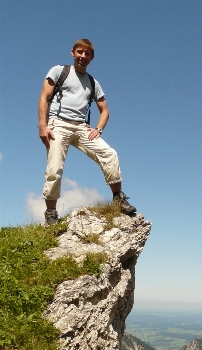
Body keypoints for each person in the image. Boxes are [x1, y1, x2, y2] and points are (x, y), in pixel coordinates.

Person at [38, 39, 136, 225]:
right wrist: (43, 125)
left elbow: (105, 110)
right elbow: (44, 97)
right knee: (54, 167)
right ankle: (51, 213)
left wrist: (98, 129)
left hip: (82, 127)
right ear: (73, 52)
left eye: (87, 54)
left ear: (92, 57)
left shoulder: (93, 82)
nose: (83, 56)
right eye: (80, 52)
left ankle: (118, 197)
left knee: (109, 153)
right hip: (58, 124)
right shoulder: (59, 71)